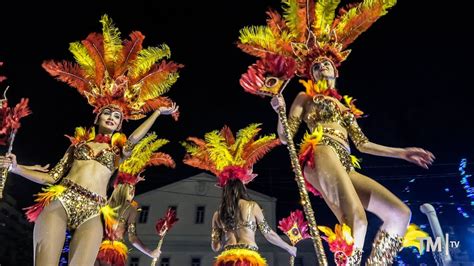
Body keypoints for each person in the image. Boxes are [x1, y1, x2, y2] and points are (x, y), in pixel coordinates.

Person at [236, 0, 434, 264]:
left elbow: (363, 144)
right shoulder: (304, 97)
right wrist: (279, 110)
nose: (320, 67)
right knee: (358, 220)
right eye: (315, 66)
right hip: (320, 152)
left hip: (345, 161)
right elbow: (285, 138)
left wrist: (402, 153)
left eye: (325, 64)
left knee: (399, 213)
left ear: (335, 69)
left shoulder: (343, 106)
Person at [0, 14, 181, 265]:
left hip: (94, 209)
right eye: (107, 112)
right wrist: (16, 167)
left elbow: (135, 139)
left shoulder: (119, 149)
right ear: (98, 116)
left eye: (116, 116)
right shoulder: (79, 144)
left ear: (120, 124)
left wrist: (157, 114)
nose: (111, 116)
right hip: (63, 199)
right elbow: (53, 177)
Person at [182, 124, 297, 265]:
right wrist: (289, 248)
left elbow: (215, 247)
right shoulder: (252, 206)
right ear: (241, 185)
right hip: (248, 259)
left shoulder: (218, 214)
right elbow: (269, 234)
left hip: (227, 259)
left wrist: (219, 233)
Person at [96, 133, 175, 266]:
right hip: (113, 255)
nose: (133, 192)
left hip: (94, 250)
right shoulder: (130, 208)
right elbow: (132, 238)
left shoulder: (103, 204)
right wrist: (150, 253)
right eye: (133, 188)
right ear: (128, 189)